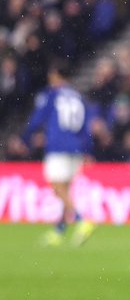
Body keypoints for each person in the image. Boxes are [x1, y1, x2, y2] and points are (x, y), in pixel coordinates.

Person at [22, 62, 95, 247]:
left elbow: (38, 117)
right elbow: (86, 127)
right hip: (76, 147)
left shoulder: (52, 94)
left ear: (56, 76)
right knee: (65, 190)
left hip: (58, 146)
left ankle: (81, 220)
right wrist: (87, 150)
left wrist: (26, 136)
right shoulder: (79, 97)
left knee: (57, 187)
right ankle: (59, 231)